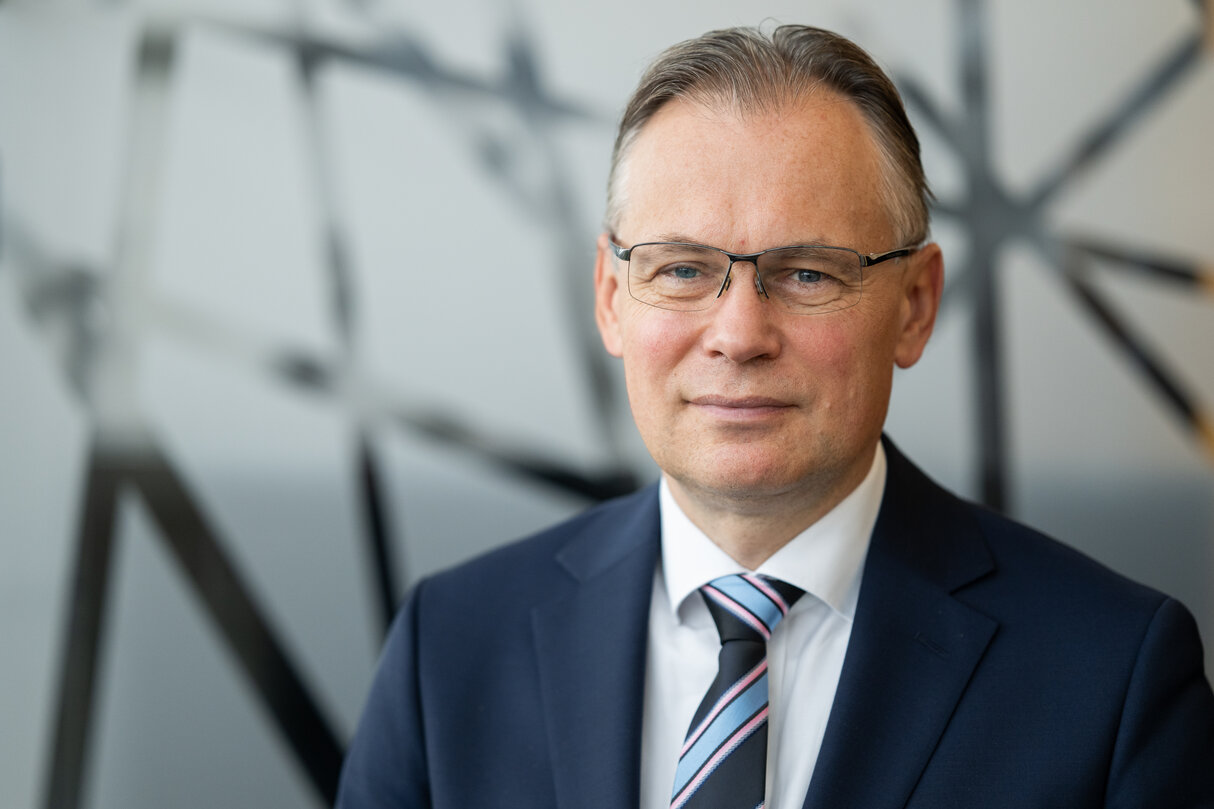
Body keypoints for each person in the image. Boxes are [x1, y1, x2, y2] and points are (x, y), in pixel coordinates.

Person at [335, 24, 1214, 809]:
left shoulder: (1110, 677)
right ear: (610, 298)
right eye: (681, 268)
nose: (739, 335)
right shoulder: (446, 650)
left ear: (914, 304)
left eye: (807, 273)